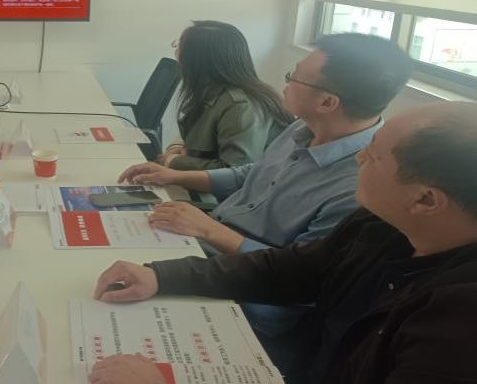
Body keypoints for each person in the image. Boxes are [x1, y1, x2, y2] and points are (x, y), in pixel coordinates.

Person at [92, 102, 477, 384]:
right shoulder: (381, 223)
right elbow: (293, 269)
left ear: (426, 200)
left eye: (373, 156)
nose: (359, 158)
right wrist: (163, 275)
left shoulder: (458, 323)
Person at [118, 33, 412, 338]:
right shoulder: (302, 128)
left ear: (327, 102)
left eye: (294, 76)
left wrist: (209, 230)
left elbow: (302, 275)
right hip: (208, 246)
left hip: (250, 298)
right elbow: (254, 173)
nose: (285, 83)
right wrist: (175, 176)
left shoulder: (361, 187)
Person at [158, 21, 291, 171]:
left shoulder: (240, 106)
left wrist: (173, 162)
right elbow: (196, 131)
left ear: (196, 60)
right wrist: (178, 147)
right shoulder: (212, 90)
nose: (177, 54)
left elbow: (234, 171)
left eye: (179, 46)